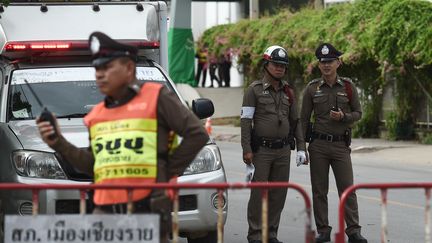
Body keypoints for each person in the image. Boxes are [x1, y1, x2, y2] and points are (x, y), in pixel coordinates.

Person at [36, 31, 209, 243]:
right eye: (97, 69)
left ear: (128, 68)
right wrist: (58, 143)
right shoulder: (96, 115)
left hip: (145, 211)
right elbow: (94, 165)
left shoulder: (157, 96)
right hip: (104, 214)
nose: (99, 74)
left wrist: (166, 172)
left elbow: (197, 134)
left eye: (107, 67)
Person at [300, 43, 367, 243]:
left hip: (340, 146)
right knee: (319, 190)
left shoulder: (347, 86)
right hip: (318, 146)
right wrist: (301, 148)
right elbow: (303, 120)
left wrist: (344, 117)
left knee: (347, 189)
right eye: (322, 62)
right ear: (319, 65)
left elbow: (358, 113)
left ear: (338, 62)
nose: (326, 65)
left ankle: (353, 231)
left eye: (330, 61)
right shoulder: (312, 88)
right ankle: (323, 230)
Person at [240, 45, 308, 243]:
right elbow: (245, 121)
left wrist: (301, 148)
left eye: (283, 66)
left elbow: (296, 122)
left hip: (283, 151)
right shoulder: (254, 90)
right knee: (258, 194)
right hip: (261, 151)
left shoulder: (289, 92)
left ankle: (271, 234)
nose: (279, 69)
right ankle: (255, 235)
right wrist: (247, 149)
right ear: (266, 64)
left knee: (279, 194)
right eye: (276, 64)